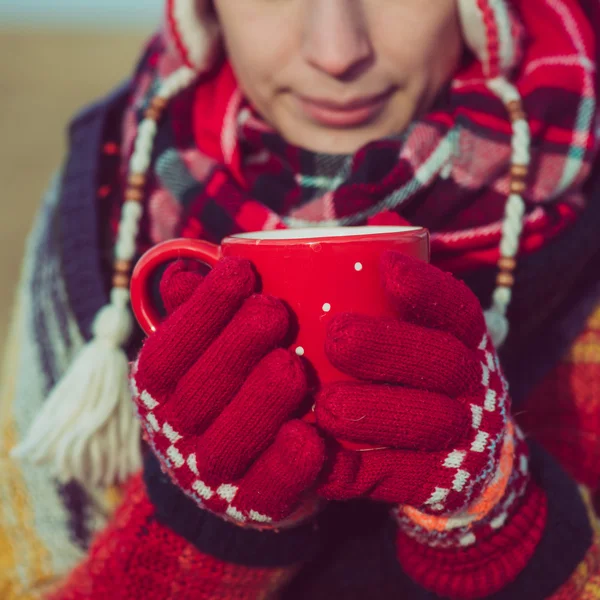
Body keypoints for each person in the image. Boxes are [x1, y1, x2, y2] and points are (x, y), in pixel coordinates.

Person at [1, 0, 600, 597]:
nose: (336, 54)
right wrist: (209, 530)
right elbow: (26, 576)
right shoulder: (116, 178)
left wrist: (500, 524)